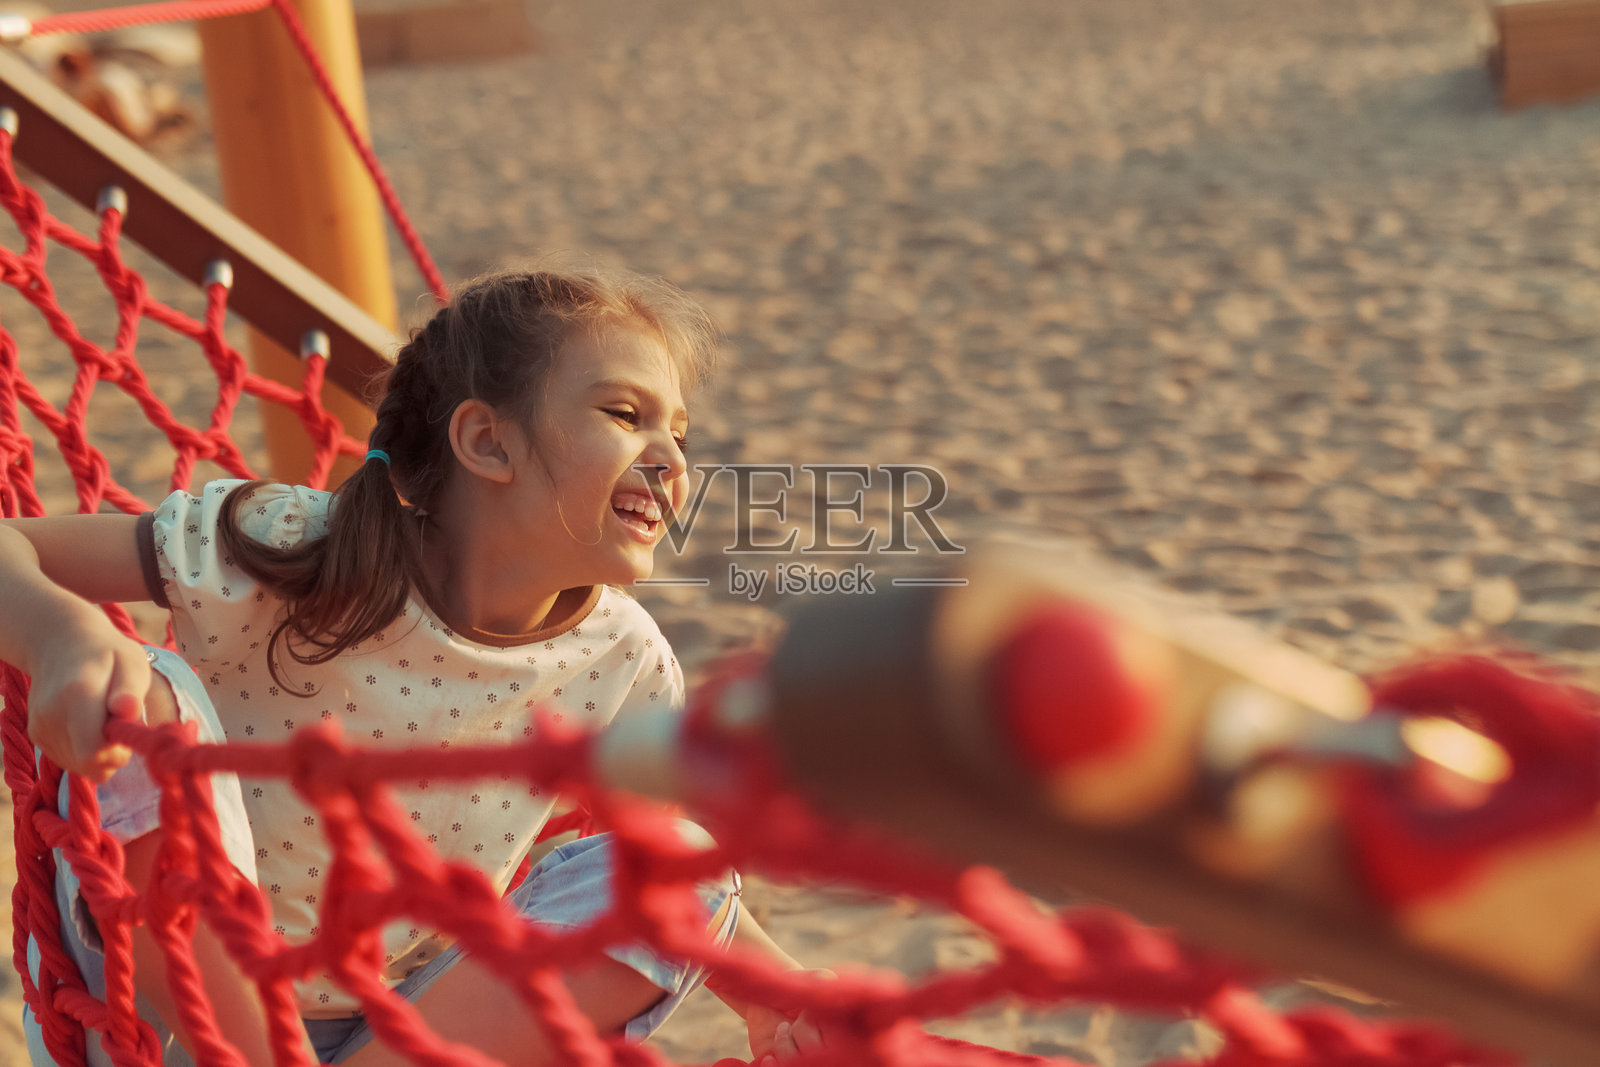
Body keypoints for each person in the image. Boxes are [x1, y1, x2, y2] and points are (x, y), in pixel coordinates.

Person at [0, 264, 826, 1065]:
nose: (671, 458)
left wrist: (771, 993)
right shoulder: (285, 547)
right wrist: (60, 634)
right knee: (141, 689)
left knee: (679, 862)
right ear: (485, 441)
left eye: (678, 434)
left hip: (389, 1032)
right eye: (626, 414)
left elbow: (646, 872)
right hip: (168, 1016)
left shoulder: (624, 658)